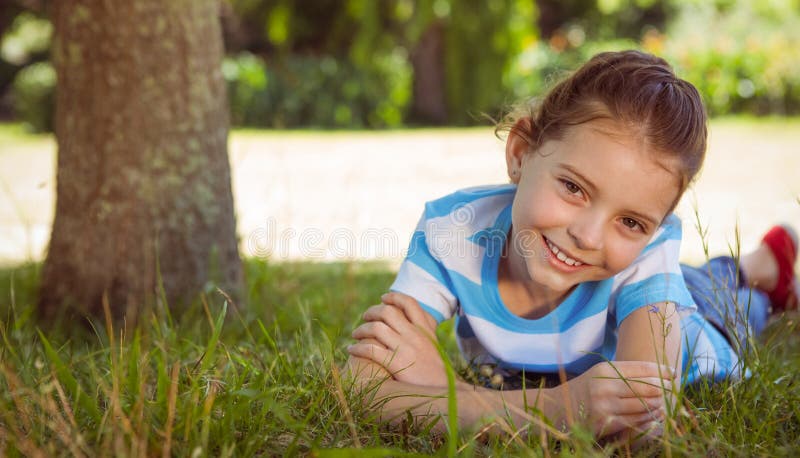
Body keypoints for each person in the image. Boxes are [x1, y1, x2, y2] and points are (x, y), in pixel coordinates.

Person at [344, 50, 800, 441]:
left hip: (701, 332)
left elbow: (641, 427)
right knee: (694, 279)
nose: (587, 235)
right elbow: (362, 388)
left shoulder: (645, 254)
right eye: (573, 188)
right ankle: (764, 261)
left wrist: (443, 390)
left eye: (631, 221)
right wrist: (560, 408)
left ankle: (764, 274)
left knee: (733, 304)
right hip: (621, 281)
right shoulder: (452, 230)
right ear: (521, 153)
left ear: (656, 229)